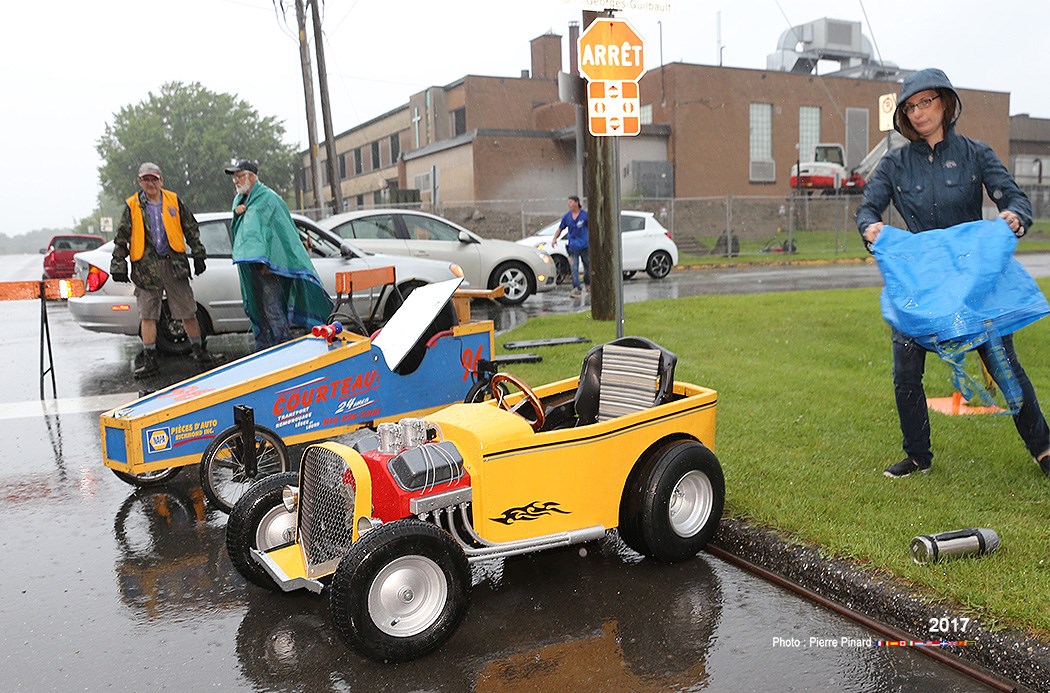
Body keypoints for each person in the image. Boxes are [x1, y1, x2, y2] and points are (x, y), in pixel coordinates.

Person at [856, 68, 1050, 479]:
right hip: (920, 287)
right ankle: (917, 457)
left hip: (974, 285)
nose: (919, 112)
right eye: (910, 106)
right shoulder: (893, 164)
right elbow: (867, 209)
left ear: (944, 103)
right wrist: (869, 227)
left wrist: (1015, 215)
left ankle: (1044, 449)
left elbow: (1015, 197)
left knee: (1005, 367)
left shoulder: (976, 154)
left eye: (926, 101)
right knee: (906, 372)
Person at [111, 162, 214, 378]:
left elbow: (191, 228)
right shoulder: (132, 206)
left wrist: (198, 255)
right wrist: (118, 264)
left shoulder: (173, 200)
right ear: (140, 181)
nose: (150, 183)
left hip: (174, 264)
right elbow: (122, 237)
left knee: (188, 311)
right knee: (148, 315)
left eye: (154, 179)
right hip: (145, 268)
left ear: (161, 180)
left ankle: (199, 353)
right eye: (146, 179)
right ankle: (150, 361)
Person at [224, 159, 333, 350]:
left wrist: (270, 260)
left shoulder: (268, 198)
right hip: (252, 267)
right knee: (260, 308)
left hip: (270, 267)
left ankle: (283, 347)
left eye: (239, 176)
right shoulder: (240, 201)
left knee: (272, 308)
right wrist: (237, 212)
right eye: (235, 177)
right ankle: (268, 347)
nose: (236, 181)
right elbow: (246, 233)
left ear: (252, 176)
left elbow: (279, 231)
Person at [551, 195, 589, 298]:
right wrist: (554, 238)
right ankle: (576, 288)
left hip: (585, 246)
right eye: (568, 202)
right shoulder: (567, 217)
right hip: (572, 247)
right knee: (574, 268)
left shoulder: (585, 215)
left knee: (588, 267)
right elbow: (560, 229)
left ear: (577, 203)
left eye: (571, 202)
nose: (569, 204)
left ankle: (588, 284)